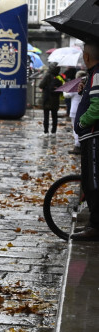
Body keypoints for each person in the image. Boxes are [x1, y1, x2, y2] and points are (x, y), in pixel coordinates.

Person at [70, 43, 99, 240]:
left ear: (87, 57)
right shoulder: (93, 75)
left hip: (93, 136)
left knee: (93, 182)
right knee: (89, 180)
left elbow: (97, 108)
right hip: (89, 136)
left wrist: (81, 123)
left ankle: (95, 226)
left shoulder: (97, 74)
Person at [39, 65, 63, 134]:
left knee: (46, 116)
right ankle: (53, 132)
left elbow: (41, 85)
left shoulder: (48, 76)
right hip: (55, 100)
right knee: (54, 116)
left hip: (47, 99)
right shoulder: (60, 77)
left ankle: (46, 132)